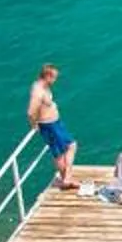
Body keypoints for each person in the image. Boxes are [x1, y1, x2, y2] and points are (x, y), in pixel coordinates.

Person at [28, 63, 79, 192]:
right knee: (71, 146)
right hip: (50, 125)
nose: (55, 81)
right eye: (54, 77)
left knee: (60, 153)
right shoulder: (38, 91)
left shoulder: (41, 86)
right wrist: (34, 125)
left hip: (53, 124)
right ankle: (67, 178)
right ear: (48, 76)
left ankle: (65, 180)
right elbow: (30, 111)